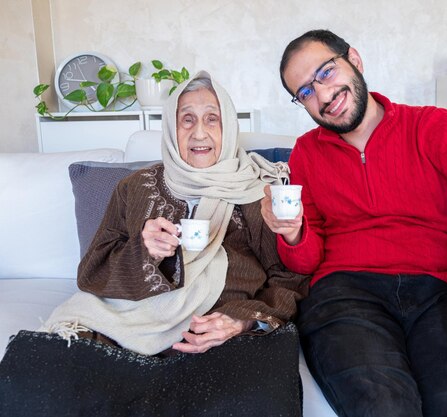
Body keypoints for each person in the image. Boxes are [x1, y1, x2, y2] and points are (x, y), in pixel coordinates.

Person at [260, 30, 447, 417]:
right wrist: (293, 233)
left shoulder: (430, 127)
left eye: (326, 73)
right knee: (381, 405)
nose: (323, 95)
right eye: (306, 92)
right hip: (346, 294)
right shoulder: (307, 154)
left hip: (438, 292)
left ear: (354, 60)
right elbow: (305, 263)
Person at [0, 71, 309, 417]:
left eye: (212, 119)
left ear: (230, 127)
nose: (199, 133)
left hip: (216, 333)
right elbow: (92, 271)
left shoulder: (259, 191)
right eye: (186, 119)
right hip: (133, 322)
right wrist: (142, 251)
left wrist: (239, 321)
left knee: (255, 398)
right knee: (36, 376)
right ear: (170, 128)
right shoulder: (135, 188)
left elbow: (289, 278)